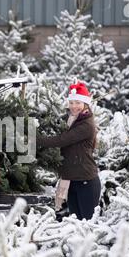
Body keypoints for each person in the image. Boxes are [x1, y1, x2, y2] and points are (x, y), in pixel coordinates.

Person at [37, 82, 101, 220]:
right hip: (72, 180)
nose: (74, 106)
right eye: (71, 102)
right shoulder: (71, 120)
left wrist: (34, 139)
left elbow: (61, 140)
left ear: (85, 104)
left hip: (86, 181)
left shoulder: (86, 125)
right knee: (74, 223)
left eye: (78, 102)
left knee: (87, 224)